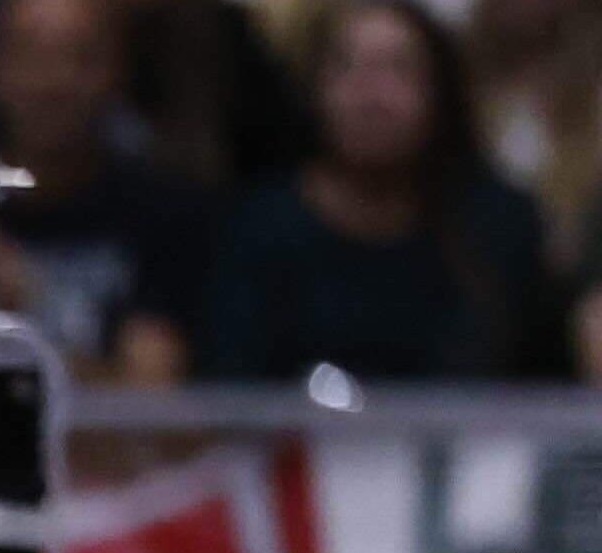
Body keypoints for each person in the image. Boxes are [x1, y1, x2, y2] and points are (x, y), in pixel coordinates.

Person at [200, 0, 578, 381]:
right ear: (313, 90)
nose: (371, 96)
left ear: (439, 92)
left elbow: (544, 393)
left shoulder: (502, 229)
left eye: (398, 70)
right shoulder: (259, 230)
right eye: (347, 67)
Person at [0, 0, 203, 375]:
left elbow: (150, 410)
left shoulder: (162, 218)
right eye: (29, 55)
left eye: (81, 57)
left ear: (119, 70)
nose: (53, 81)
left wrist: (28, 312)